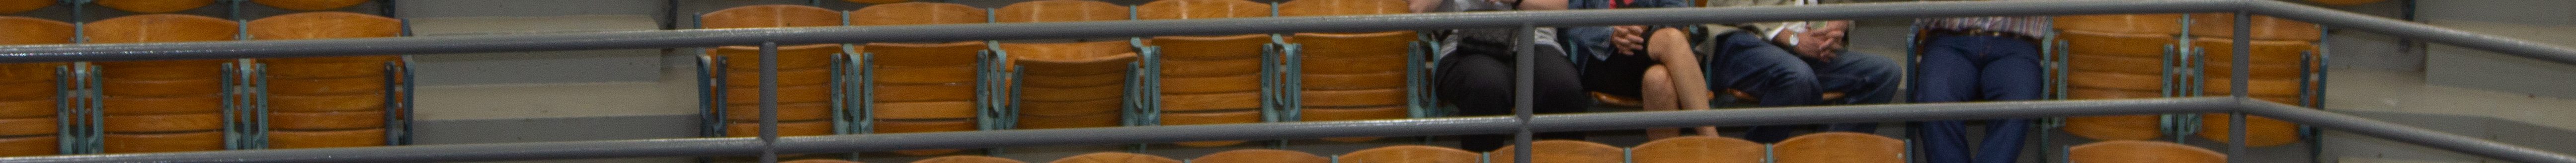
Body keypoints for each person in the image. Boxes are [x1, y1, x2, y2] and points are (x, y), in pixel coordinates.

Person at [1600, 0, 1898, 143]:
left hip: (1810, 48)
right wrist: (1790, 38)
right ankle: (1750, 154)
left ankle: (1825, 153)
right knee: (1796, 78)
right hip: (1743, 39)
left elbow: (1840, 6)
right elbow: (1730, 7)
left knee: (1885, 73)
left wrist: (1839, 25)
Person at [1415, 0, 1591, 152]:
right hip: (1465, 43)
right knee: (1487, 85)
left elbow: (1559, 8)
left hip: (1534, 40)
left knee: (1562, 87)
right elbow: (1418, 7)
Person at [1911, 5, 2050, 163]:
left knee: (2020, 101)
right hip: (1950, 40)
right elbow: (1921, 15)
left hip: (2015, 43)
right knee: (1935, 99)